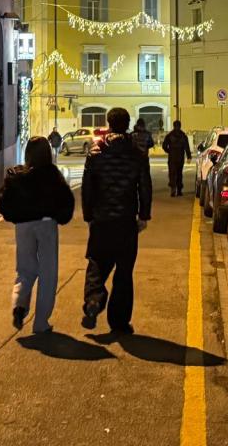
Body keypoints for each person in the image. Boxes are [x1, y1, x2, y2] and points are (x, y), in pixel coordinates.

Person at [81, 107, 152, 334]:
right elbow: (145, 187)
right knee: (123, 273)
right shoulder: (137, 154)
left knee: (96, 263)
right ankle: (119, 322)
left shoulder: (95, 153)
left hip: (101, 220)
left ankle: (94, 300)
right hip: (125, 221)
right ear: (128, 124)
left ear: (108, 124)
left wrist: (89, 215)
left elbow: (87, 188)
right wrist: (143, 215)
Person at [0, 136, 75, 334]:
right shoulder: (52, 174)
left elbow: (4, 200)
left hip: (23, 225)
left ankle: (19, 304)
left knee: (24, 269)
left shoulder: (17, 176)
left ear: (28, 154)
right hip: (46, 225)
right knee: (48, 272)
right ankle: (41, 322)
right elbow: (66, 199)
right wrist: (60, 216)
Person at [161, 120, 192, 197]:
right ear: (180, 126)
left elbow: (164, 146)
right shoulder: (183, 135)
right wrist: (189, 156)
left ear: (173, 126)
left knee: (172, 173)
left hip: (172, 157)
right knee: (179, 173)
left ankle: (173, 189)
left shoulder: (169, 135)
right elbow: (186, 147)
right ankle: (179, 190)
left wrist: (169, 151)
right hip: (180, 157)